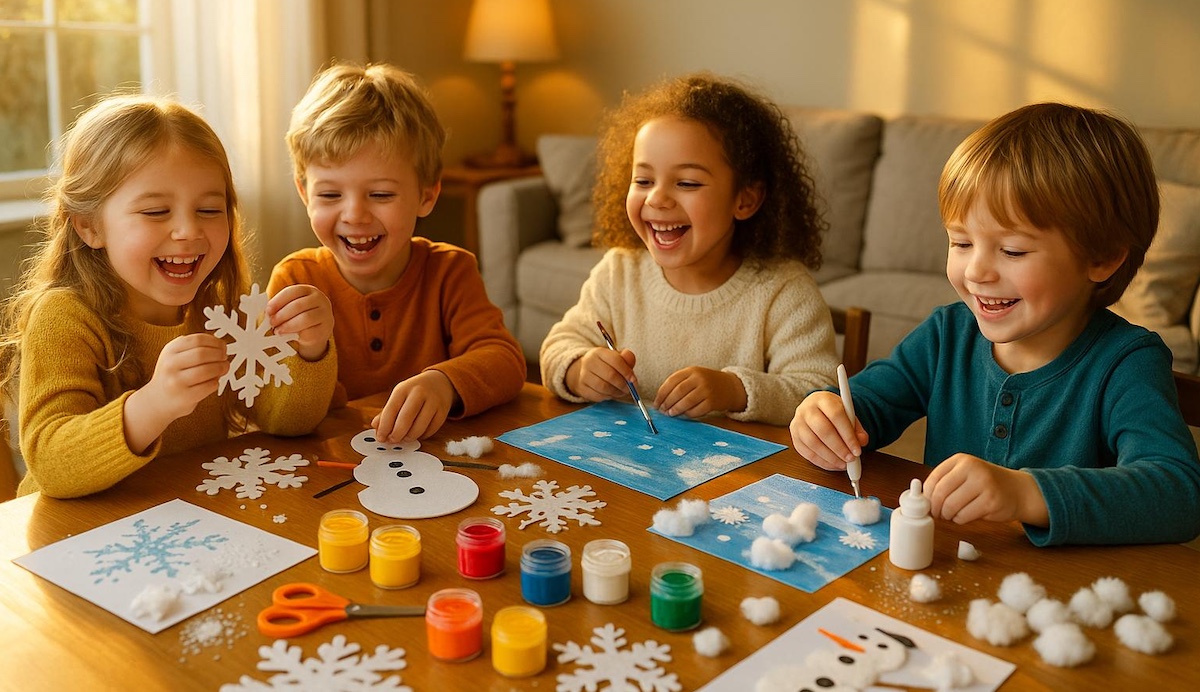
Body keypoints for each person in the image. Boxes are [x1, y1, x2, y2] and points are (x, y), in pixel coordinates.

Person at [790, 102, 1200, 546]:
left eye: (1013, 251)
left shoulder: (1126, 362)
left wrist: (1026, 493)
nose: (976, 272)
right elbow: (869, 404)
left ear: (1101, 258)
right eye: (961, 242)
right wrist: (825, 416)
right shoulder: (947, 334)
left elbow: (1178, 493)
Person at [0, 94, 338, 499]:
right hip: (74, 538)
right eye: (156, 212)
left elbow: (287, 423)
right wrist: (153, 405)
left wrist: (310, 350)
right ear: (90, 226)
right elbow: (52, 464)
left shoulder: (216, 309)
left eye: (210, 211)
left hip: (185, 519)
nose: (187, 231)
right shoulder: (64, 316)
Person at [540, 73, 839, 426]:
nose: (657, 198)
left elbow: (818, 394)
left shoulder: (784, 291)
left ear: (745, 199)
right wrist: (579, 368)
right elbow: (558, 347)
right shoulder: (619, 271)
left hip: (737, 476)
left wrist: (733, 389)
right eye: (643, 180)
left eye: (687, 183)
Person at [271, 63, 526, 443]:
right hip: (331, 468)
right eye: (329, 195)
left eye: (381, 194)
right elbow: (278, 412)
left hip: (433, 464)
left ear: (426, 196)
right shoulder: (295, 281)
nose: (355, 215)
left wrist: (444, 383)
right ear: (305, 193)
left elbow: (505, 361)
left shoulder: (450, 270)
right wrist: (311, 352)